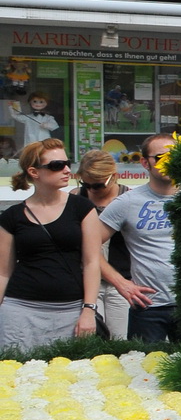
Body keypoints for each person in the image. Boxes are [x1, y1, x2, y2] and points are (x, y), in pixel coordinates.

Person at [0, 139, 102, 350]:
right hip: (20, 309)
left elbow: (92, 262)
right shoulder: (12, 216)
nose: (66, 170)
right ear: (34, 172)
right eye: (57, 165)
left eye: (67, 163)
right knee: (17, 377)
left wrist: (89, 310)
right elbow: (3, 272)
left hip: (71, 309)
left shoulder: (82, 208)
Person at [98, 133, 181, 343]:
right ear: (145, 162)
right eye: (160, 157)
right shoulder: (127, 202)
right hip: (147, 306)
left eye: (174, 156)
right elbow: (87, 246)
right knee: (142, 371)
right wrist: (120, 282)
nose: (168, 162)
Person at [78, 150, 130, 338]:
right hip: (87, 281)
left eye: (98, 185)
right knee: (89, 340)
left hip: (122, 280)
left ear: (114, 177)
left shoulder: (128, 199)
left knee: (120, 341)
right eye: (86, 184)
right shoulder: (77, 198)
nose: (92, 190)